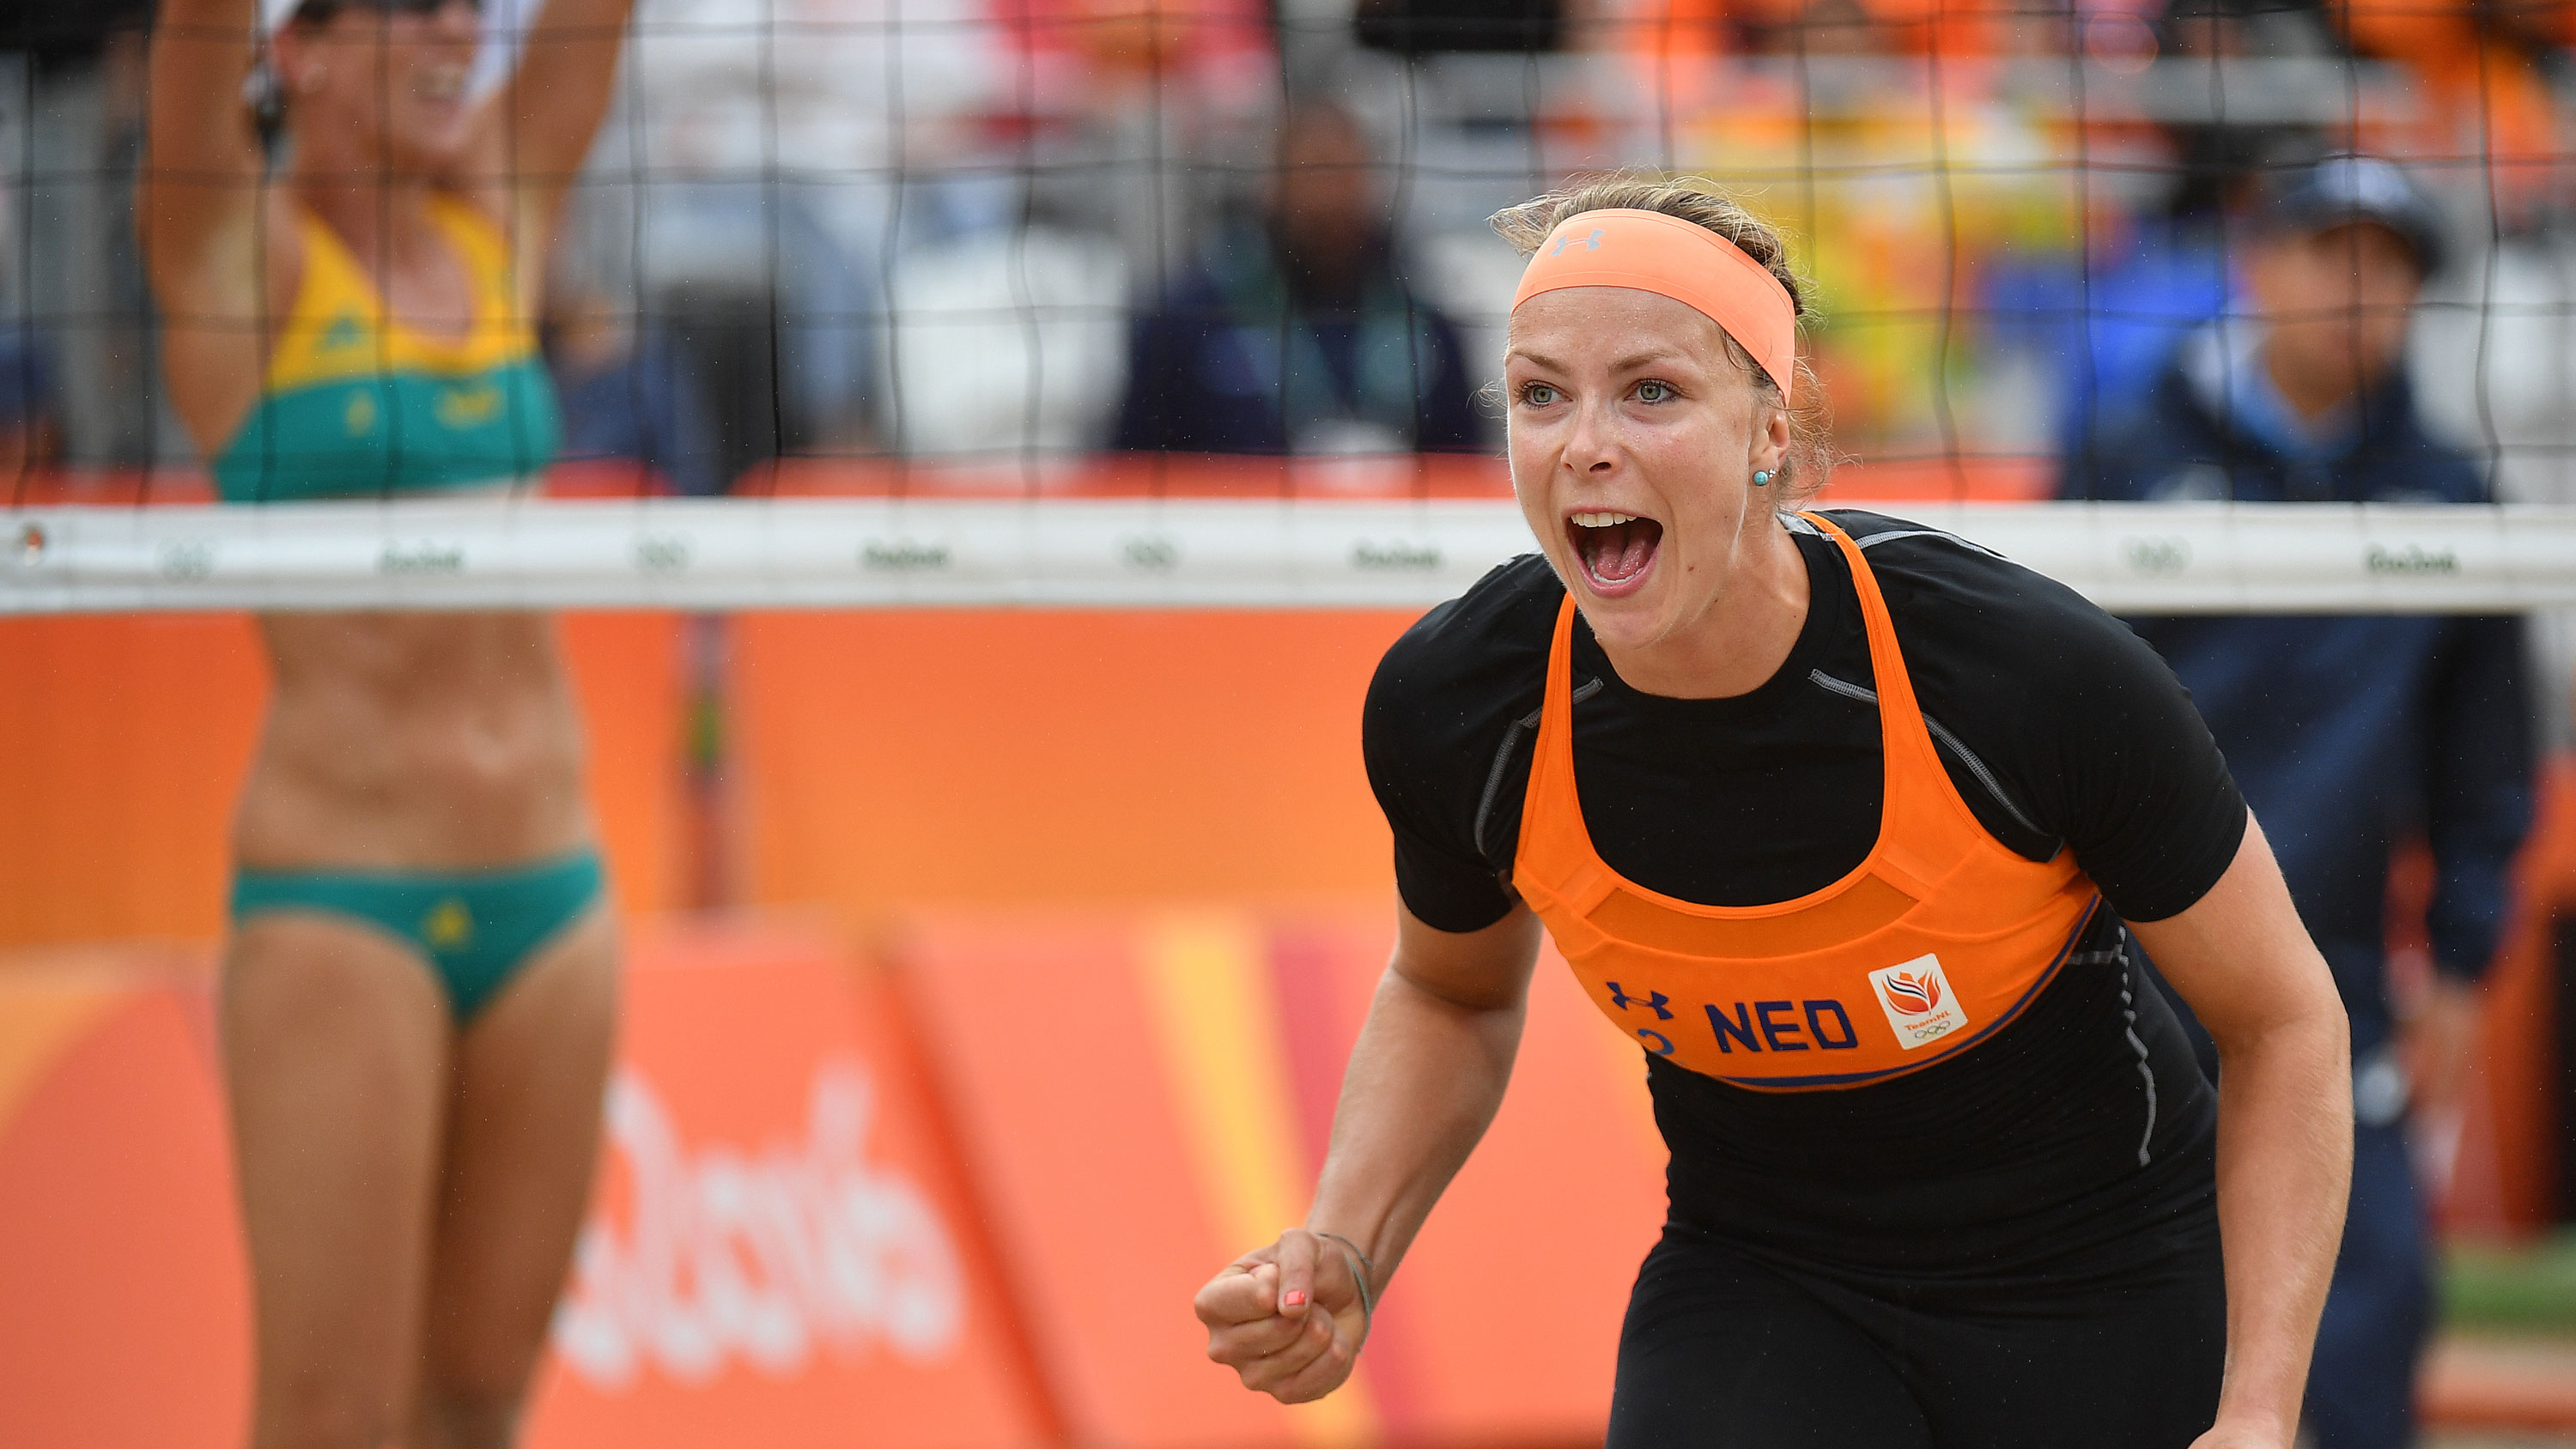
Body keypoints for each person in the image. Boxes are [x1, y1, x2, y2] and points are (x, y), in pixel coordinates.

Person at [1194, 178, 2355, 1448]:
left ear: (1772, 431)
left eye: (1653, 391)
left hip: (2100, 1278)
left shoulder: (2018, 674)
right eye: (1541, 394)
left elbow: (2284, 1018)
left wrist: (2259, 1413)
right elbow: (1451, 991)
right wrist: (1347, 1249)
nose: (1585, 443)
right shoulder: (1464, 704)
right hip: (1768, 1284)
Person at [137, 0, 630, 1444]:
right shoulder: (244, 260)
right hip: (344, 888)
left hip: (553, 890)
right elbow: (189, 51)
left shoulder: (498, 218)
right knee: (329, 1413)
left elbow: (591, 34)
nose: (455, 36)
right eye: (409, 10)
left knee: (479, 1399)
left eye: (465, 11)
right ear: (301, 51)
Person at [2062, 154, 2536, 1449]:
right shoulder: (2127, 453)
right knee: (2109, 1320)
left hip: (2330, 968)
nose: (2356, 287)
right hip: (2118, 959)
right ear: (2261, 263)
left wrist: (2461, 957)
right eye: (2331, 251)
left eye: (2389, 266)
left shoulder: (2448, 499)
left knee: (2359, 1328)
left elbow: (2485, 758)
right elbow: (2038, 714)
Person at [1110, 100, 1482, 457]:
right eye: (1310, 173)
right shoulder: (1190, 316)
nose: (1325, 198)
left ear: (1371, 184)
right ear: (1269, 186)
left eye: (1342, 175)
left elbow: (1468, 466)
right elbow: (1132, 465)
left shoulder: (1423, 316)